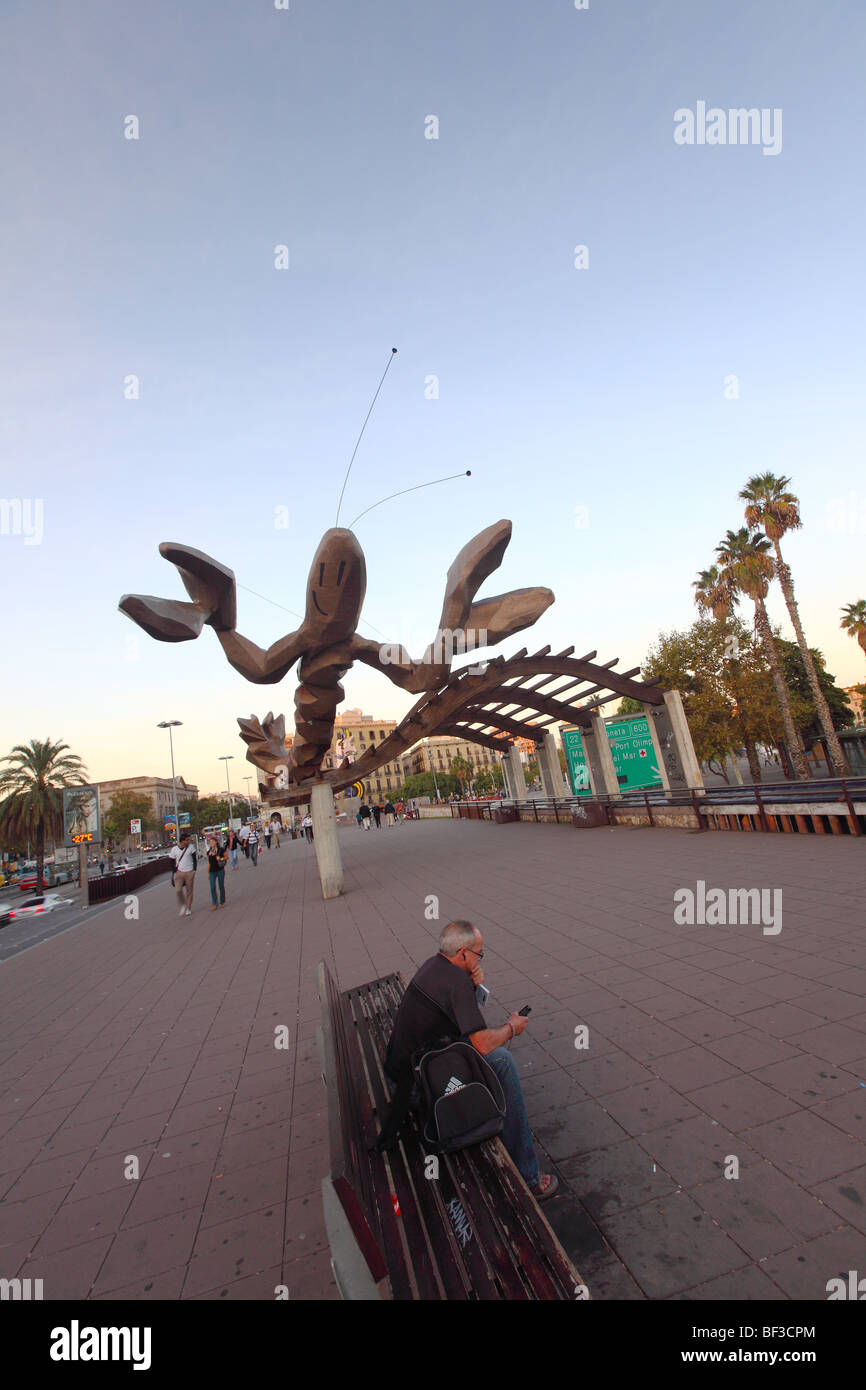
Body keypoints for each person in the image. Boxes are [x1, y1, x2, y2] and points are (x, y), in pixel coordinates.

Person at [383, 920, 558, 1201]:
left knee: (493, 1058)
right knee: (502, 1062)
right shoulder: (456, 983)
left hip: (404, 1070)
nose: (480, 958)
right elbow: (482, 1043)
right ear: (463, 953)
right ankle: (529, 1177)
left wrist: (474, 983)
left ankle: (494, 1119)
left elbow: (461, 1022)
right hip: (417, 1086)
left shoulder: (435, 966)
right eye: (479, 953)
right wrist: (512, 1028)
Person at [170, 834, 197, 917]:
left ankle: (188, 908)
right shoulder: (174, 849)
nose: (188, 841)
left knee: (189, 891)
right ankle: (183, 904)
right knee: (178, 890)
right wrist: (174, 871)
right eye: (187, 840)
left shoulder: (191, 847)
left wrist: (194, 869)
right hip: (179, 872)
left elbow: (194, 858)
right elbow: (171, 860)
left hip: (189, 871)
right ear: (182, 841)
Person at [207, 835, 227, 910]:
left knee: (221, 886)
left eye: (212, 841)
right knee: (212, 887)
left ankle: (222, 900)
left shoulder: (220, 849)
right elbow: (209, 863)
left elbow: (226, 857)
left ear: (216, 842)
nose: (211, 843)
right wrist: (207, 872)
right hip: (212, 871)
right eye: (210, 842)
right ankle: (214, 903)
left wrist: (221, 858)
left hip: (220, 870)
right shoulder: (209, 852)